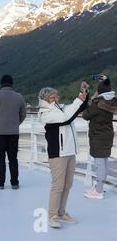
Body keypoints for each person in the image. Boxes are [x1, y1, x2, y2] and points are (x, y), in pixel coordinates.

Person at [38, 83, 89, 229]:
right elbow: (65, 118)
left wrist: (84, 93)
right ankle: (52, 216)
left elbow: (79, 108)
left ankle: (61, 213)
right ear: (45, 98)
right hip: (58, 154)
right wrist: (79, 99)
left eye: (56, 95)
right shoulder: (45, 112)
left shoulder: (59, 108)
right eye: (53, 96)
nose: (56, 98)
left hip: (69, 151)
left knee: (67, 185)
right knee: (58, 186)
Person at [0, 75, 26, 190]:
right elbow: (23, 115)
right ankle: (14, 183)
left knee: (0, 158)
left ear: (1, 84)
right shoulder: (19, 97)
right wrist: (16, 123)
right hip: (13, 132)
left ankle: (0, 183)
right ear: (11, 84)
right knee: (13, 158)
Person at [82, 77, 117, 199]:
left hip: (98, 136)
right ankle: (99, 187)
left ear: (100, 91)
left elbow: (86, 115)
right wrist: (106, 80)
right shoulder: (112, 101)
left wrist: (92, 99)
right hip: (107, 134)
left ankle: (98, 192)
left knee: (99, 164)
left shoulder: (98, 103)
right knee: (104, 162)